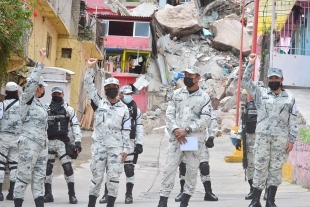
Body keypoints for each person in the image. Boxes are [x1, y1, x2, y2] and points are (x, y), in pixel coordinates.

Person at [242, 53, 298, 207]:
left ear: (282, 80)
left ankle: (271, 201)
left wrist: (292, 139)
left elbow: (293, 119)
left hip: (280, 139)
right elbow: (245, 82)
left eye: (276, 78)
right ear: (268, 80)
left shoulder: (290, 98)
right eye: (271, 78)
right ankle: (255, 200)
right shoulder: (260, 93)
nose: (274, 81)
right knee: (260, 167)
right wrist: (251, 64)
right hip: (262, 137)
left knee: (275, 169)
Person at [157, 65, 212, 207]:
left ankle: (185, 202)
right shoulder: (177, 94)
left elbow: (206, 119)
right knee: (169, 169)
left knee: (191, 171)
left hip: (192, 139)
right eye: (186, 76)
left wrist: (187, 129)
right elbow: (169, 113)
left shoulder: (204, 97)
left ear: (198, 78)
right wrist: (176, 129)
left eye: (191, 76)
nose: (187, 78)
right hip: (177, 139)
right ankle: (162, 201)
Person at [84, 58, 131, 207]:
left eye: (114, 86)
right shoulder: (98, 103)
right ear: (104, 90)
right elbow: (88, 86)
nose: (111, 89)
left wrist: (125, 149)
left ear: (118, 89)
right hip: (99, 147)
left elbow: (126, 130)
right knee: (96, 178)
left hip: (116, 149)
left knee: (113, 178)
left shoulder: (124, 109)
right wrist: (89, 68)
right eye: (108, 87)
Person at [14, 48, 49, 207]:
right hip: (29, 143)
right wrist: (40, 61)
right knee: (23, 177)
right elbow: (32, 81)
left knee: (39, 178)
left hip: (41, 145)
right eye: (42, 87)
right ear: (38, 87)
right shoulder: (27, 99)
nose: (43, 90)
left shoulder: (39, 104)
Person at [99, 85, 144, 204]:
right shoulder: (114, 107)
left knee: (129, 169)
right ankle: (106, 194)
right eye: (126, 94)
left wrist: (139, 143)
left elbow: (139, 127)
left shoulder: (136, 110)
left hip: (129, 142)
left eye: (130, 94)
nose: (129, 96)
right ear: (121, 94)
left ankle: (129, 194)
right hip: (115, 141)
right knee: (111, 169)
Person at [43, 86, 82, 204]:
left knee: (68, 168)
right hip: (49, 142)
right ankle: (48, 194)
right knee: (47, 169)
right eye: (54, 94)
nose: (56, 96)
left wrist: (78, 142)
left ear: (63, 95)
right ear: (51, 95)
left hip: (63, 142)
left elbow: (75, 125)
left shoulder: (68, 109)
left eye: (59, 94)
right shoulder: (45, 109)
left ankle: (72, 195)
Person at [175, 107, 219, 202]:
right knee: (184, 166)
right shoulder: (182, 99)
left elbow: (212, 119)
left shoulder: (204, 101)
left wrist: (211, 136)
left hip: (200, 139)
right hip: (186, 138)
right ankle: (183, 191)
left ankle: (208, 192)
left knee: (204, 166)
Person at [0, 82, 22, 201]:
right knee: (14, 165)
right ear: (17, 92)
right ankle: (12, 193)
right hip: (17, 138)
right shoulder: (22, 105)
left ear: (6, 92)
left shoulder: (2, 105)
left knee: (1, 165)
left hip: (3, 138)